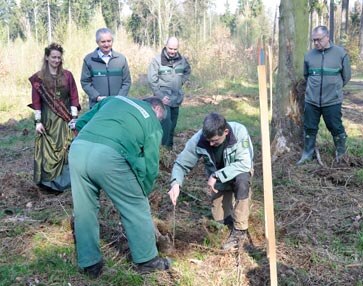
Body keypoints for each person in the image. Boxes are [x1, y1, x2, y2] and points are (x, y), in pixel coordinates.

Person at [68, 96, 170, 278]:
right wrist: (142, 192)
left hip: (78, 150)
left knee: (84, 209)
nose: (159, 122)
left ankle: (90, 264)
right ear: (157, 110)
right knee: (135, 206)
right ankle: (147, 261)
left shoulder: (114, 99)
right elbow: (151, 165)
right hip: (108, 157)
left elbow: (81, 122)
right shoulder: (152, 120)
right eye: (160, 119)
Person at [168, 112, 253, 251]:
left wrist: (216, 176)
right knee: (219, 222)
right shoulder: (199, 140)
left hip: (237, 171)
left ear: (225, 131)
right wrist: (175, 183)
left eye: (215, 141)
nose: (211, 144)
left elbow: (244, 163)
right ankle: (228, 219)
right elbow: (181, 164)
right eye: (208, 141)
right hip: (218, 178)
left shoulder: (239, 132)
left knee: (242, 181)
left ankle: (240, 230)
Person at [28, 43, 80, 192]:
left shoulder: (68, 75)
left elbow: (74, 96)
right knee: (47, 150)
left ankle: (65, 183)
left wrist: (74, 118)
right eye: (53, 57)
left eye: (59, 57)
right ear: (46, 57)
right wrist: (38, 122)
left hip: (65, 119)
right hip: (47, 119)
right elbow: (36, 101)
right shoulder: (39, 78)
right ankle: (48, 184)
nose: (56, 60)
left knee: (67, 147)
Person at [297, 25, 351, 165]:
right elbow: (306, 75)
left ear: (327, 37)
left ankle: (341, 153)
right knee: (309, 127)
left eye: (318, 40)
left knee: (335, 127)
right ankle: (307, 154)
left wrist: (334, 89)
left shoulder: (340, 53)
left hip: (332, 100)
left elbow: (346, 77)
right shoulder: (309, 55)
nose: (316, 43)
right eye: (313, 40)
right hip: (312, 101)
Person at [147, 36, 191, 148]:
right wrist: (160, 96)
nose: (172, 51)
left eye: (175, 49)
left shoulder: (182, 60)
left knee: (173, 124)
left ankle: (170, 148)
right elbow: (152, 80)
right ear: (166, 46)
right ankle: (162, 149)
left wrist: (181, 81)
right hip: (163, 100)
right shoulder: (157, 61)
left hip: (176, 98)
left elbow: (187, 71)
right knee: (165, 124)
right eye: (170, 49)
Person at [81, 27, 131, 109]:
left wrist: (119, 98)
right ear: (97, 42)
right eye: (103, 42)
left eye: (109, 41)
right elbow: (85, 82)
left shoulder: (121, 59)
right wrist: (97, 97)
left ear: (112, 41)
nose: (106, 44)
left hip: (118, 105)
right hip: (97, 106)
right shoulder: (89, 60)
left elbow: (126, 82)